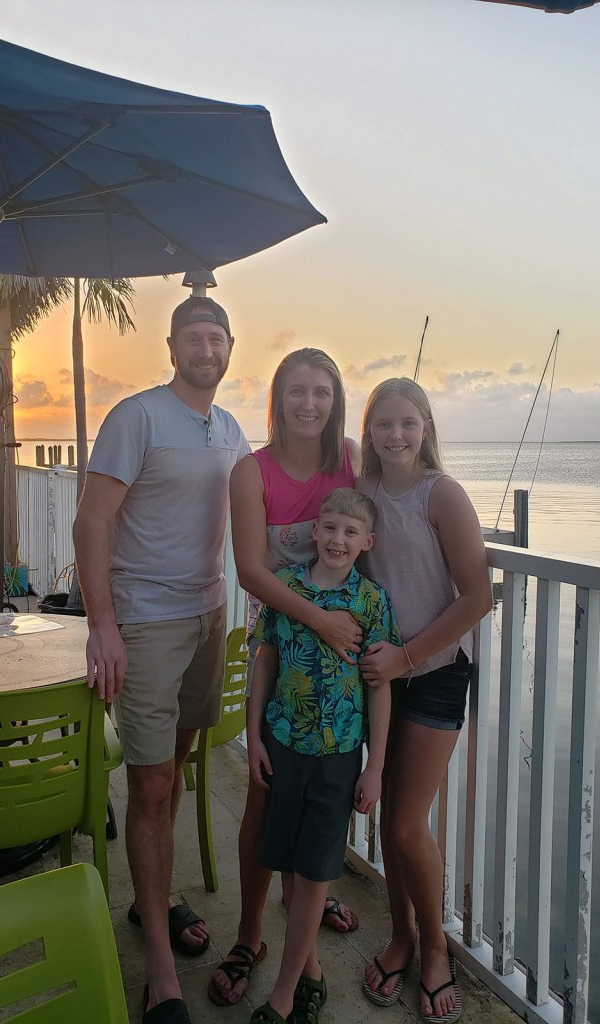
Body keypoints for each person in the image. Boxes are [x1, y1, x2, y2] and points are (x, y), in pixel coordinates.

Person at [72, 295, 249, 1024]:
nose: (207, 349)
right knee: (148, 785)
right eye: (194, 338)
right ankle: (161, 974)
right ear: (172, 345)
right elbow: (92, 519)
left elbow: (257, 517)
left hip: (209, 615)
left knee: (173, 767)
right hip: (144, 624)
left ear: (231, 346)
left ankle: (158, 901)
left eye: (217, 338)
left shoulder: (231, 428)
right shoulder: (136, 416)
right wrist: (102, 626)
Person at [209, 349, 363, 1008]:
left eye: (321, 392)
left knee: (327, 791)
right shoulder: (252, 470)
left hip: (343, 665)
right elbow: (250, 570)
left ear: (335, 400)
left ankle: (312, 896)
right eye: (296, 391)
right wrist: (321, 621)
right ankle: (251, 933)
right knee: (265, 791)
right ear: (278, 397)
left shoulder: (349, 460)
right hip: (277, 650)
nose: (309, 404)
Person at [356, 379, 492, 1024]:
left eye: (408, 423)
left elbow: (476, 597)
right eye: (384, 424)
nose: (396, 435)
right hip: (381, 676)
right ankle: (402, 937)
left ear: (427, 427)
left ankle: (435, 949)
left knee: (408, 823)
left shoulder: (443, 495)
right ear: (369, 431)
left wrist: (407, 657)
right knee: (388, 821)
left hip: (432, 672)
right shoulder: (365, 495)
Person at [246, 487, 401, 1024]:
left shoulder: (371, 602)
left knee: (314, 873)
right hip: (283, 745)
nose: (338, 539)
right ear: (315, 530)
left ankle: (283, 995)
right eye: (330, 527)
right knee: (290, 865)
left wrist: (375, 767)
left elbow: (380, 687)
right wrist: (255, 736)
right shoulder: (286, 588)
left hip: (338, 757)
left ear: (368, 541)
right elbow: (264, 660)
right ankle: (310, 971)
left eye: (350, 531)